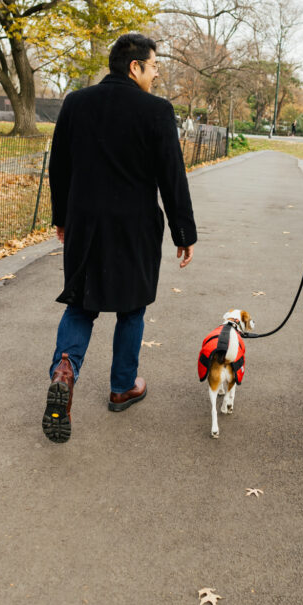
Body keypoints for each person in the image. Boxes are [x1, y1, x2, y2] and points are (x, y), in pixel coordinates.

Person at [43, 32, 197, 444]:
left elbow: (59, 167)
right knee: (132, 307)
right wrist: (183, 232)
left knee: (80, 304)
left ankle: (64, 371)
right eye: (154, 66)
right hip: (134, 228)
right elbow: (172, 177)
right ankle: (122, 387)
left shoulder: (76, 103)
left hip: (84, 224)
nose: (157, 73)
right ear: (135, 67)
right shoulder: (156, 111)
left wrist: (62, 218)